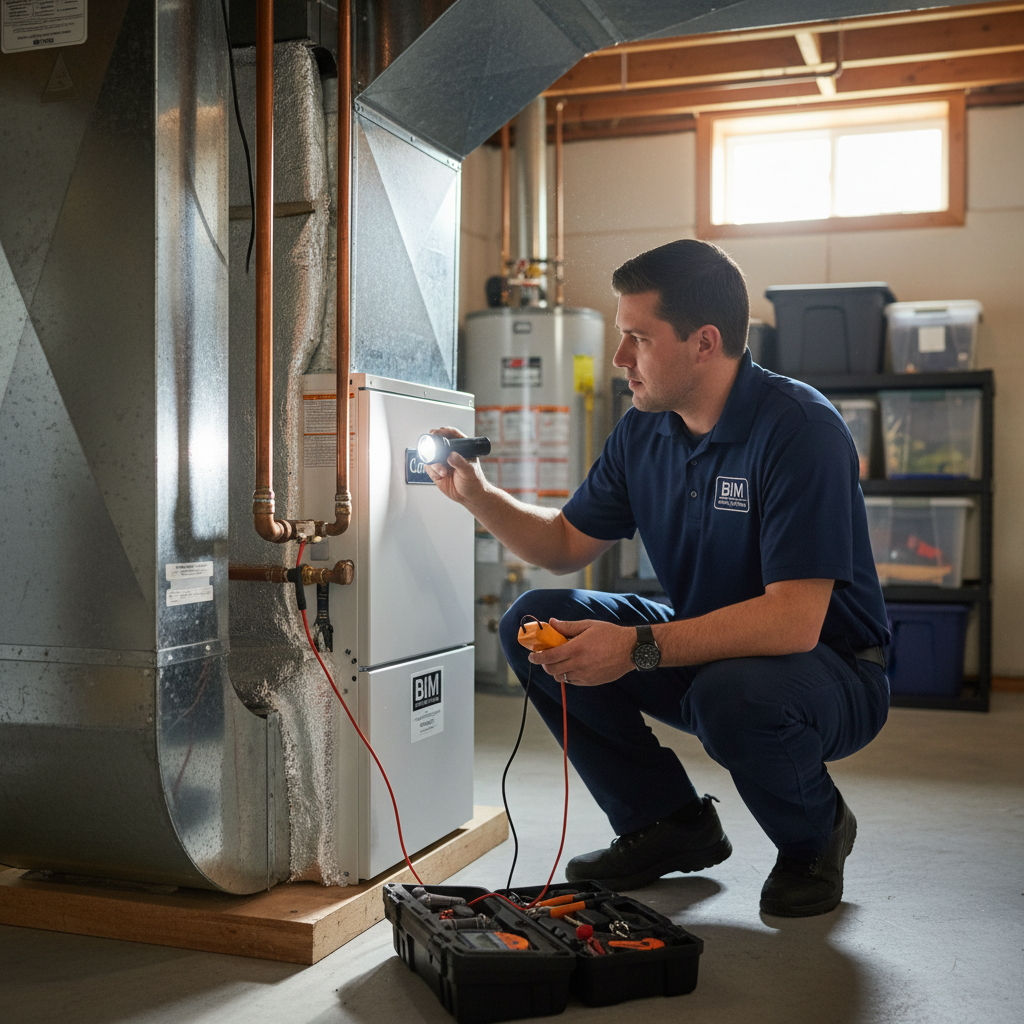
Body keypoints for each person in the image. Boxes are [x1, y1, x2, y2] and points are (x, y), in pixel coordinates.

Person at [425, 239, 890, 917]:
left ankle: (815, 839)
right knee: (540, 620)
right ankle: (669, 824)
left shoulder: (799, 429)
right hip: (708, 645)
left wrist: (636, 648)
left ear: (704, 343)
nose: (620, 359)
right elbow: (561, 546)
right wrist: (478, 496)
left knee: (733, 697)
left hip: (828, 667)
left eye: (637, 338)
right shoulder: (644, 432)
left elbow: (793, 621)